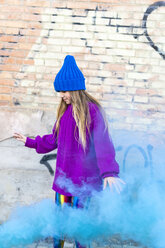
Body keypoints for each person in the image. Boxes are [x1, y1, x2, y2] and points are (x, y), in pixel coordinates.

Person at [13, 55, 125, 248]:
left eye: (64, 90)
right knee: (60, 228)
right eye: (60, 91)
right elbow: (53, 139)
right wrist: (29, 141)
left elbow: (103, 143)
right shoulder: (64, 113)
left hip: (84, 185)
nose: (62, 95)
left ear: (75, 88)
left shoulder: (93, 111)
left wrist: (109, 173)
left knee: (80, 230)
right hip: (63, 183)